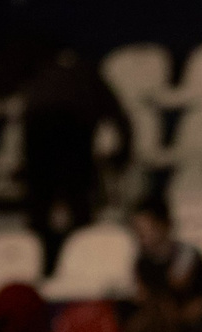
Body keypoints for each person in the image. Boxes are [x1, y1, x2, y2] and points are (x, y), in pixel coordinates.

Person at [20, 47, 131, 265]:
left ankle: (53, 263)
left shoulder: (44, 77)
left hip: (52, 139)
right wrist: (122, 156)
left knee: (51, 208)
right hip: (63, 138)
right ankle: (71, 260)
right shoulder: (85, 76)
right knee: (74, 204)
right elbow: (120, 118)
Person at [130, 198, 202, 304]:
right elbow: (143, 294)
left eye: (146, 229)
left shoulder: (187, 254)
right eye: (137, 230)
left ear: (165, 225)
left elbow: (177, 284)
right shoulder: (142, 261)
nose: (141, 236)